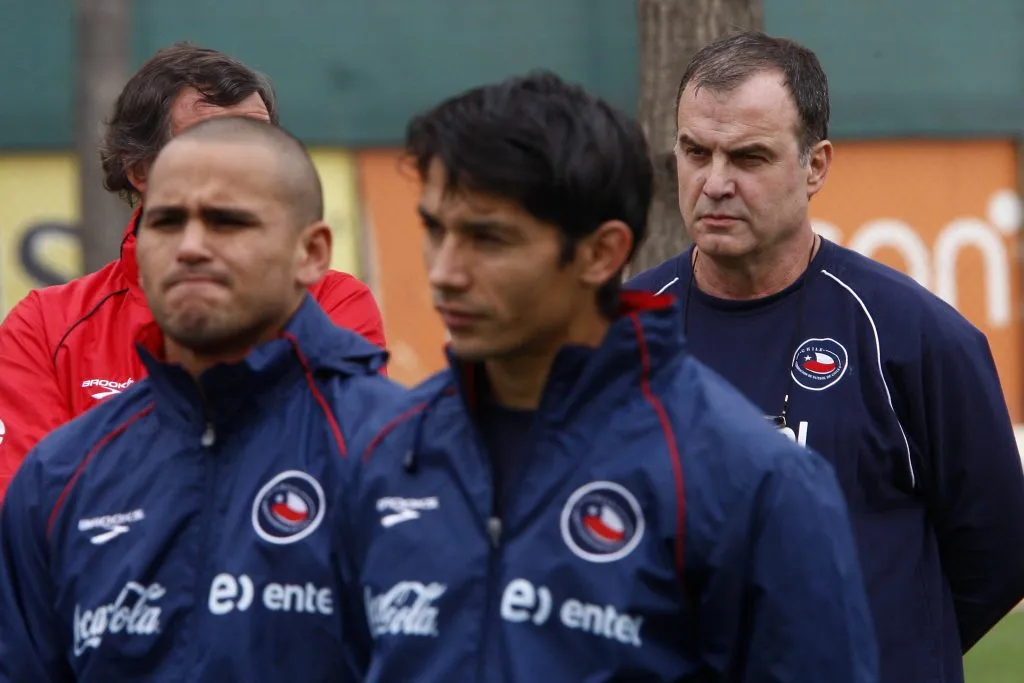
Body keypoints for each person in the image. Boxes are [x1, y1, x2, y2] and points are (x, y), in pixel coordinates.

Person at [336, 70, 878, 682]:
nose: (446, 272)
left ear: (601, 253)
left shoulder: (750, 476)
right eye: (436, 230)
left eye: (489, 239)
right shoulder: (384, 450)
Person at [627, 31, 1024, 683]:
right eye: (695, 151)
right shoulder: (616, 332)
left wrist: (884, 648)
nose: (715, 182)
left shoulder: (914, 336)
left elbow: (1001, 551)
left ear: (815, 166)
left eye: (749, 157)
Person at [0, 116, 406, 682]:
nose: (190, 247)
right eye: (166, 222)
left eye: (226, 221)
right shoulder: (58, 474)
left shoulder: (409, 454)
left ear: (311, 253)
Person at [0, 42, 387, 502]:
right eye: (212, 145)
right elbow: (26, 512)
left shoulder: (332, 302)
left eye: (257, 144)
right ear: (142, 170)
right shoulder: (45, 325)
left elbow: (334, 486)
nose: (244, 168)